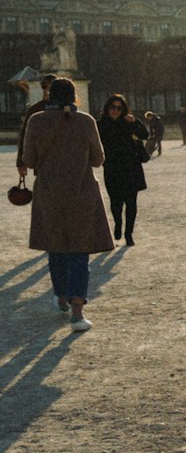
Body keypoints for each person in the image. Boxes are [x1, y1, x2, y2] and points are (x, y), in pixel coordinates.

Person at [22, 77, 114, 332]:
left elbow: (29, 160)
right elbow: (98, 159)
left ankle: (61, 297)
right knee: (78, 252)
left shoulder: (36, 121)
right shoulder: (85, 121)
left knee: (56, 247)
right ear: (75, 96)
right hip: (81, 192)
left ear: (49, 95)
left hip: (49, 192)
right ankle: (77, 311)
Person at [98, 94, 149, 245]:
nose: (116, 111)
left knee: (131, 203)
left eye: (119, 108)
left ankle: (129, 234)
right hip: (112, 168)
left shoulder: (128, 123)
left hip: (130, 167)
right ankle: (118, 224)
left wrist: (136, 122)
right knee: (116, 203)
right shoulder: (100, 125)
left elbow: (145, 135)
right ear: (107, 108)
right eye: (113, 107)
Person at [16, 74, 54, 178]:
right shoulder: (34, 109)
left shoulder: (36, 109)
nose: (47, 91)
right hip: (42, 162)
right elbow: (24, 136)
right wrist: (20, 162)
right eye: (46, 87)